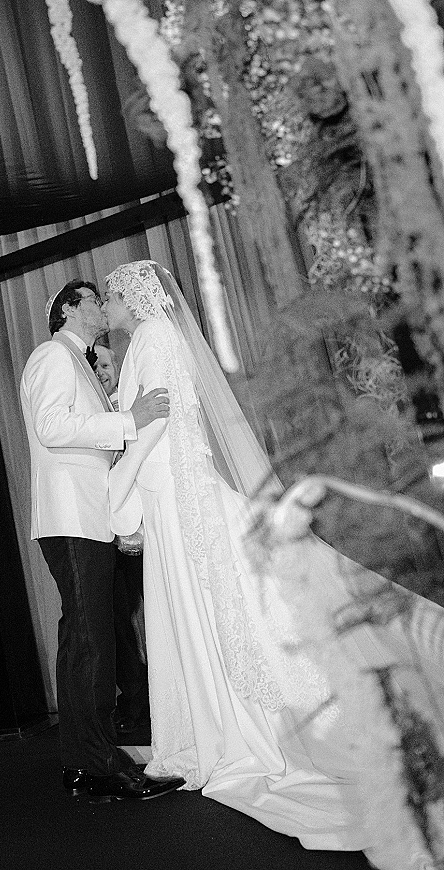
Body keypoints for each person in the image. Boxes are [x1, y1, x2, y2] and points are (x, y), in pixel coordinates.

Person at [102, 261, 444, 864]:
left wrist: (119, 494)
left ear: (133, 298)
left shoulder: (150, 338)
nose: (108, 307)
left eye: (111, 296)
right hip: (174, 487)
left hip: (173, 490)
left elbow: (154, 427)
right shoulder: (156, 338)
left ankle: (232, 727)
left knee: (211, 604)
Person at [19, 278, 184, 801]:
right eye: (92, 298)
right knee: (90, 638)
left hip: (89, 517)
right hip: (70, 516)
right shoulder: (52, 355)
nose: (101, 305)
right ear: (69, 308)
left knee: (89, 637)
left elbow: (88, 435)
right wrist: (128, 420)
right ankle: (93, 766)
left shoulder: (83, 363)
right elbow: (51, 426)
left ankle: (89, 758)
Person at [94, 341, 150, 734]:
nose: (101, 373)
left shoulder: (134, 408)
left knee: (155, 611)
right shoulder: (94, 415)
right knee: (118, 620)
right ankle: (134, 701)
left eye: (106, 364)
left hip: (146, 524)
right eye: (94, 367)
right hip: (108, 532)